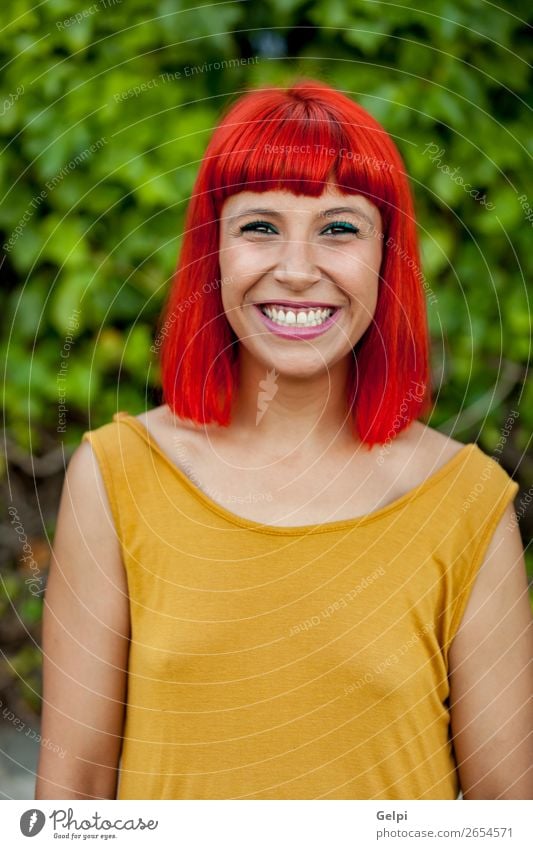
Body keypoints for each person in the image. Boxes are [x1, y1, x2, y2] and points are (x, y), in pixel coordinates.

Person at [35, 78, 532, 801]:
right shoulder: (115, 475)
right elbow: (73, 795)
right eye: (260, 226)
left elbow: (507, 821)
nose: (297, 271)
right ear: (214, 251)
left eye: (339, 228)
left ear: (386, 259)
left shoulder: (466, 501)